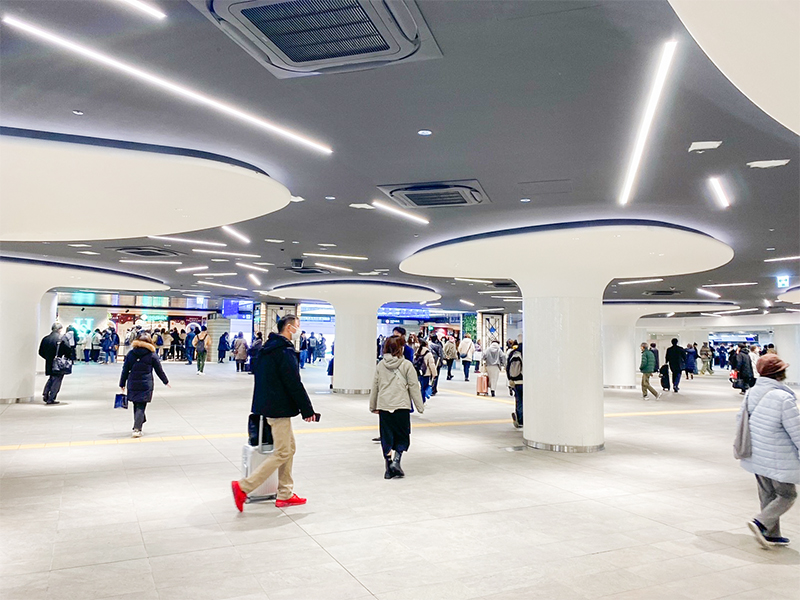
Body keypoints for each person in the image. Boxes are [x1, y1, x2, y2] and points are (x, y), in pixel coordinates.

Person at [231, 315, 317, 511]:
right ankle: (244, 487)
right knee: (283, 452)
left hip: (269, 405)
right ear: (289, 328)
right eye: (297, 326)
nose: (299, 330)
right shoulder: (284, 351)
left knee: (289, 448)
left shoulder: (267, 349)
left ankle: (285, 493)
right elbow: (293, 383)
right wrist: (307, 409)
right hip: (279, 408)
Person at [738, 354, 800, 549]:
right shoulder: (783, 397)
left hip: (757, 453)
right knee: (787, 494)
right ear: (779, 373)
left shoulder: (751, 393)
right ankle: (760, 522)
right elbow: (796, 430)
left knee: (767, 494)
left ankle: (771, 534)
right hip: (779, 456)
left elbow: (741, 420)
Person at [370, 335, 425, 479]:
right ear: (400, 348)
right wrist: (419, 406)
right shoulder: (406, 365)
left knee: (386, 435)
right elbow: (413, 386)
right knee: (402, 434)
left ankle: (388, 467)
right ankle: (396, 461)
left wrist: (373, 405)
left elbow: (375, 386)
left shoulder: (380, 365)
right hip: (401, 405)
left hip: (384, 405)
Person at [119, 332, 169, 438]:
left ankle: (139, 420)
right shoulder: (152, 355)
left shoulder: (131, 353)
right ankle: (137, 428)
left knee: (136, 404)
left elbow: (125, 369)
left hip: (133, 382)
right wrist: (166, 381)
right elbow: (159, 370)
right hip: (145, 383)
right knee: (141, 406)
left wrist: (122, 383)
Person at [38, 322, 70, 404]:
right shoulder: (62, 338)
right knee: (57, 380)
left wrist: (48, 358)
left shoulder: (46, 338)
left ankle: (45, 393)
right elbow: (68, 350)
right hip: (58, 363)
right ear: (59, 329)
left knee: (51, 378)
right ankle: (51, 397)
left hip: (49, 362)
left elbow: (40, 352)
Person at [507, 342, 523, 428]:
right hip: (525, 381)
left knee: (519, 401)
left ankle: (520, 420)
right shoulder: (528, 353)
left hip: (516, 382)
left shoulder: (513, 353)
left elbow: (508, 368)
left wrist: (510, 380)